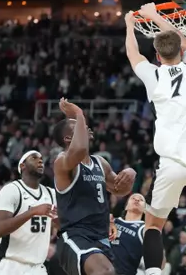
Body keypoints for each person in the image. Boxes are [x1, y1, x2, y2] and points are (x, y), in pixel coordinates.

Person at [124, 3, 186, 275]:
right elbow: (184, 41)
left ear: (156, 55)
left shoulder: (154, 75)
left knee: (153, 225)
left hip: (171, 162)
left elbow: (132, 54)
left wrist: (131, 23)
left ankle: (153, 273)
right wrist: (155, 16)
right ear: (180, 51)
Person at [52, 98, 136, 275]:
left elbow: (120, 189)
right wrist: (79, 113)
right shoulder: (62, 162)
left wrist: (130, 173)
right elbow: (80, 149)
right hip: (76, 235)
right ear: (68, 138)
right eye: (78, 127)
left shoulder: (100, 162)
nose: (86, 127)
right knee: (104, 272)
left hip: (101, 237)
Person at [0, 150, 57, 275]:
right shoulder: (11, 190)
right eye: (34, 158)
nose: (40, 160)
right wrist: (32, 212)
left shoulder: (51, 194)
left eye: (41, 158)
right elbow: (0, 229)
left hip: (37, 267)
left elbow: (63, 223)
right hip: (10, 264)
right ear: (22, 166)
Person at [111, 193, 146, 275]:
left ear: (145, 210)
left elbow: (160, 262)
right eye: (133, 198)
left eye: (141, 200)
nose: (137, 200)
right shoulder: (112, 221)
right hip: (101, 269)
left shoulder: (145, 229)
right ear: (126, 206)